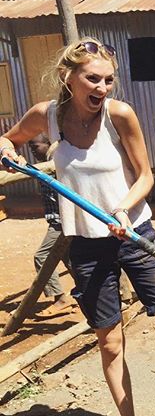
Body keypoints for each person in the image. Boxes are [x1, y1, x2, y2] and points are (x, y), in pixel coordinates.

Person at [0, 38, 155, 416]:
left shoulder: (120, 116)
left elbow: (146, 176)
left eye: (108, 80)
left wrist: (122, 208)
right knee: (110, 343)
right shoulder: (47, 116)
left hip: (134, 234)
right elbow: (9, 137)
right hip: (86, 246)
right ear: (69, 78)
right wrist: (6, 149)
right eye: (92, 79)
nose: (102, 88)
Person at [28, 133, 77, 316]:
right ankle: (87, 292)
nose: (33, 151)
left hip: (60, 222)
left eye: (36, 146)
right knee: (68, 259)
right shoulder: (45, 163)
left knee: (42, 257)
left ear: (47, 144)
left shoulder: (54, 160)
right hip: (60, 220)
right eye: (31, 148)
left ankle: (60, 298)